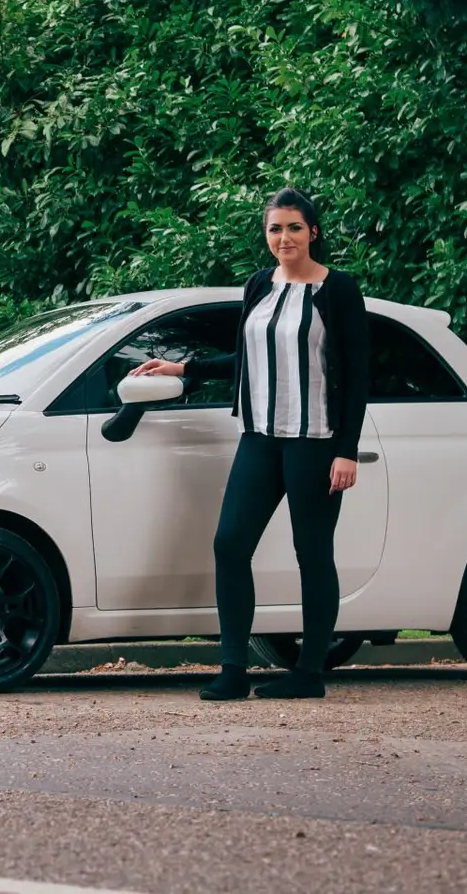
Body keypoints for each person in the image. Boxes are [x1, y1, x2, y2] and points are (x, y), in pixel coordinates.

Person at [131, 187, 370, 700]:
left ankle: (309, 674)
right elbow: (246, 357)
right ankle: (234, 669)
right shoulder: (259, 286)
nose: (284, 238)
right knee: (230, 544)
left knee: (312, 554)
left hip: (316, 442)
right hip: (260, 437)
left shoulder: (338, 291)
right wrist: (186, 369)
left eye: (294, 227)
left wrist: (346, 450)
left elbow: (357, 375)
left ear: (314, 232)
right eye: (275, 228)